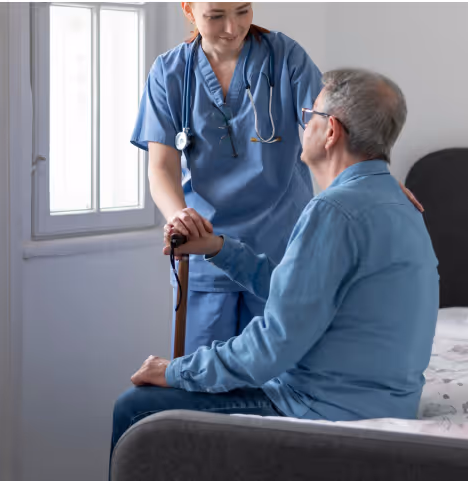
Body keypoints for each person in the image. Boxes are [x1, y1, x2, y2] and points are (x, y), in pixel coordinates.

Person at [111, 68, 440, 457]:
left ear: (331, 131)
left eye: (309, 116)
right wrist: (220, 248)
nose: (303, 125)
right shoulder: (402, 205)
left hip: (327, 413)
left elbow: (272, 348)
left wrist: (175, 371)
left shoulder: (334, 210)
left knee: (134, 407)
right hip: (385, 405)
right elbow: (302, 295)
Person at [131, 2, 323, 356]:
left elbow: (329, 135)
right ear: (188, 9)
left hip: (278, 251)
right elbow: (161, 167)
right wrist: (178, 215)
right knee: (201, 389)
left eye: (242, 10)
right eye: (216, 16)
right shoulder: (170, 72)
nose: (233, 28)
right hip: (204, 248)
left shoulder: (286, 58)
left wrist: (368, 180)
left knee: (276, 388)